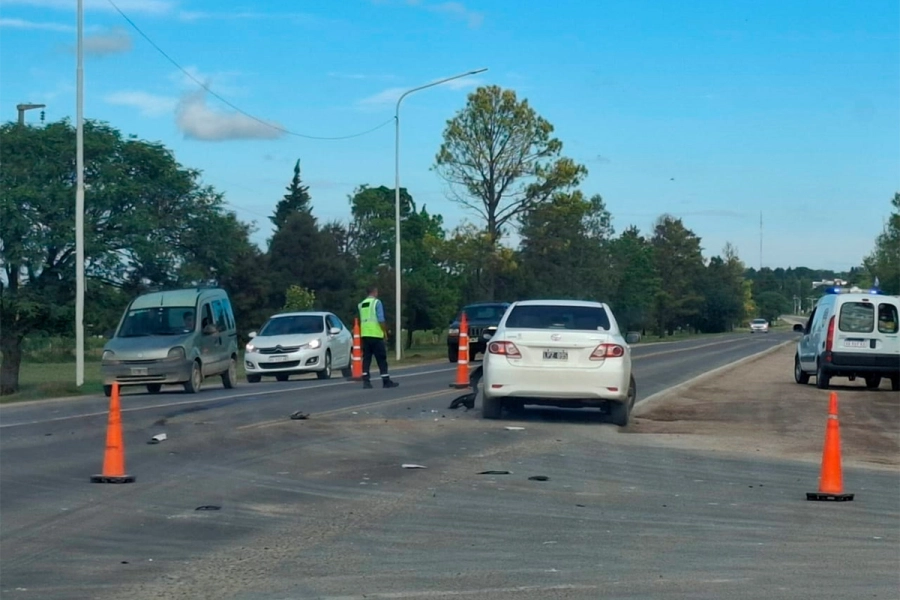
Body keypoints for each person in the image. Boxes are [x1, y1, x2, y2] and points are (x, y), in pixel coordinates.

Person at [358, 286, 399, 389]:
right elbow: (380, 319)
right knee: (381, 359)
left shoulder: (361, 304)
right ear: (374, 292)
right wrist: (385, 331)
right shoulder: (376, 303)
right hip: (376, 335)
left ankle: (366, 382)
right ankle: (386, 381)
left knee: (366, 359)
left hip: (365, 335)